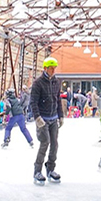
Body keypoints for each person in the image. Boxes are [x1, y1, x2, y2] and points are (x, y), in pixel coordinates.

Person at [30, 57, 63, 185]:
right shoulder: (38, 83)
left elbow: (58, 100)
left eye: (54, 68)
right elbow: (33, 102)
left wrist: (61, 116)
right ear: (45, 68)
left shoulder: (56, 82)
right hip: (43, 119)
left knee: (54, 144)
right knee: (45, 143)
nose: (53, 70)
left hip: (53, 118)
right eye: (51, 68)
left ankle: (50, 169)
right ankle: (37, 171)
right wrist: (37, 118)